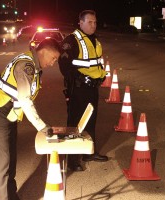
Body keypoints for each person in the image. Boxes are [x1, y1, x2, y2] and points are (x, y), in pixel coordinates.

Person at [0, 38, 61, 200]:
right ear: (44, 51)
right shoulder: (26, 66)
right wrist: (42, 126)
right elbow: (25, 100)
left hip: (8, 114)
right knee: (3, 164)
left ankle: (11, 196)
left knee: (10, 161)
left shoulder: (33, 65)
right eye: (53, 58)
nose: (53, 63)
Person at [58, 10, 108, 172]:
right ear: (80, 22)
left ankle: (88, 153)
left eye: (95, 22)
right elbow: (65, 65)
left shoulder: (95, 40)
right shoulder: (71, 40)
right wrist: (79, 78)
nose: (93, 25)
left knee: (91, 122)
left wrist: (101, 76)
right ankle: (72, 159)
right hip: (78, 89)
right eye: (90, 22)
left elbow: (96, 64)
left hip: (92, 88)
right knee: (75, 124)